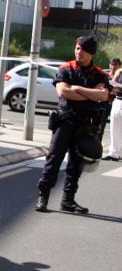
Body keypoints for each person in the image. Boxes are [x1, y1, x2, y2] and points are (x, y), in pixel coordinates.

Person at [36, 36, 109, 214]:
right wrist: (90, 94)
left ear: (91, 53)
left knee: (76, 164)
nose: (78, 52)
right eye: (77, 48)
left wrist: (77, 89)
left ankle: (68, 200)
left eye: (82, 49)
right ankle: (43, 196)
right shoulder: (66, 68)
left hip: (85, 125)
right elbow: (62, 91)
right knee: (53, 159)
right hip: (65, 121)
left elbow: (103, 96)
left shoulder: (99, 74)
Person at [102, 59, 122, 161]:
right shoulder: (120, 72)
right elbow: (114, 84)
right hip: (118, 100)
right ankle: (114, 152)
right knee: (115, 127)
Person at [97, 57, 120, 140]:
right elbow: (100, 87)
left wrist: (109, 90)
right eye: (111, 64)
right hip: (105, 103)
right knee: (100, 126)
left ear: (119, 66)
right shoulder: (105, 74)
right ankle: (97, 144)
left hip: (117, 103)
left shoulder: (120, 77)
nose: (113, 67)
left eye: (115, 65)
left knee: (116, 127)